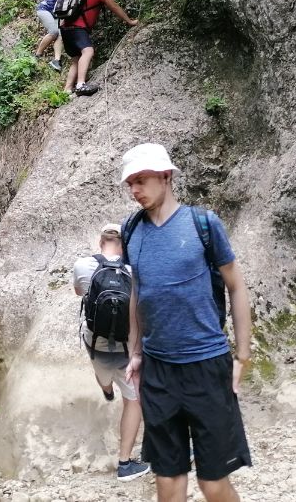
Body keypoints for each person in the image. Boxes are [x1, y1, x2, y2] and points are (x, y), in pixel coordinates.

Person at [120, 143, 253, 502]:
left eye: (141, 180)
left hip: (206, 366)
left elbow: (237, 286)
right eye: (130, 183)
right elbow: (137, 292)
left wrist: (242, 356)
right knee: (168, 481)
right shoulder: (131, 230)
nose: (135, 190)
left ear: (166, 177)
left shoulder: (203, 224)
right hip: (159, 370)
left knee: (213, 482)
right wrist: (135, 352)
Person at [73, 224, 152, 482]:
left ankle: (107, 389)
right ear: (125, 244)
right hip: (126, 349)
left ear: (100, 242)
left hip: (95, 345)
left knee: (102, 372)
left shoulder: (83, 266)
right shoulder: (135, 269)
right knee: (134, 400)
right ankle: (125, 464)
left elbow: (79, 292)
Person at [59, 0, 138, 96]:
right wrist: (129, 21)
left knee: (76, 59)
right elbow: (114, 7)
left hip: (65, 29)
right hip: (77, 28)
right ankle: (81, 84)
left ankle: (67, 90)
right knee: (88, 51)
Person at [35, 0, 77, 72]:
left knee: (60, 34)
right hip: (45, 9)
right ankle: (37, 55)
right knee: (53, 32)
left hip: (55, 13)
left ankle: (56, 60)